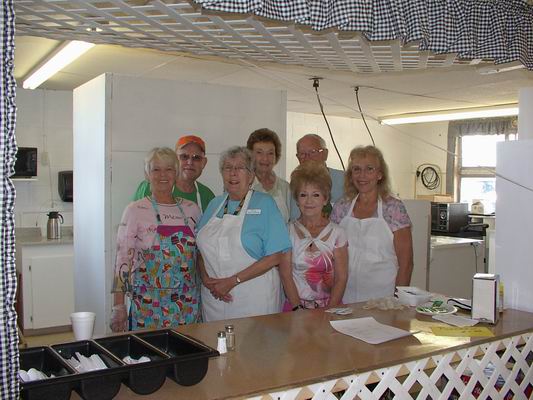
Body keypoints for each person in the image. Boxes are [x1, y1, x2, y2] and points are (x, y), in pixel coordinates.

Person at [111, 147, 201, 331]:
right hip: (148, 305)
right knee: (148, 355)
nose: (163, 175)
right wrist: (118, 306)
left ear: (176, 173)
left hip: (186, 304)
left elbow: (201, 255)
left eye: (169, 169)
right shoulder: (135, 210)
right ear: (147, 174)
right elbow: (122, 261)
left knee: (187, 353)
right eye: (156, 169)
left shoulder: (192, 209)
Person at [196, 146, 291, 321]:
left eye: (240, 168)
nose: (233, 173)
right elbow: (200, 251)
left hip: (253, 298)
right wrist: (205, 278)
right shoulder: (214, 204)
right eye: (227, 168)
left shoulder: (265, 204)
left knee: (254, 346)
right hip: (214, 297)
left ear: (251, 175)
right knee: (216, 346)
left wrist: (232, 281)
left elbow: (276, 255)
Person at [331, 145, 413, 303]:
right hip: (345, 297)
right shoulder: (342, 207)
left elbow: (406, 263)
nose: (362, 175)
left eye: (369, 169)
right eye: (356, 169)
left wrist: (397, 302)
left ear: (380, 174)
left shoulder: (394, 208)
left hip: (384, 298)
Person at [280, 161, 348, 310]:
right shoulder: (287, 231)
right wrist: (297, 309)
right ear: (297, 200)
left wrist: (329, 310)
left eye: (316, 195)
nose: (309, 201)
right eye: (303, 195)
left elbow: (341, 278)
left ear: (325, 199)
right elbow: (286, 275)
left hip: (330, 308)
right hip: (295, 308)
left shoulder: (338, 233)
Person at [132, 135, 215, 212]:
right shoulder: (151, 185)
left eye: (196, 158)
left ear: (204, 163)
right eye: (184, 156)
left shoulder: (208, 196)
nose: (190, 162)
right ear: (175, 160)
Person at [290, 134, 344, 220]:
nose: (307, 157)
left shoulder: (345, 180)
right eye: (302, 154)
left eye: (312, 152)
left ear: (325, 154)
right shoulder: (294, 185)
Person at [247, 128, 291, 222]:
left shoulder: (286, 188)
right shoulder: (243, 186)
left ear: (276, 156)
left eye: (270, 153)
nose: (265, 158)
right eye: (259, 152)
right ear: (250, 155)